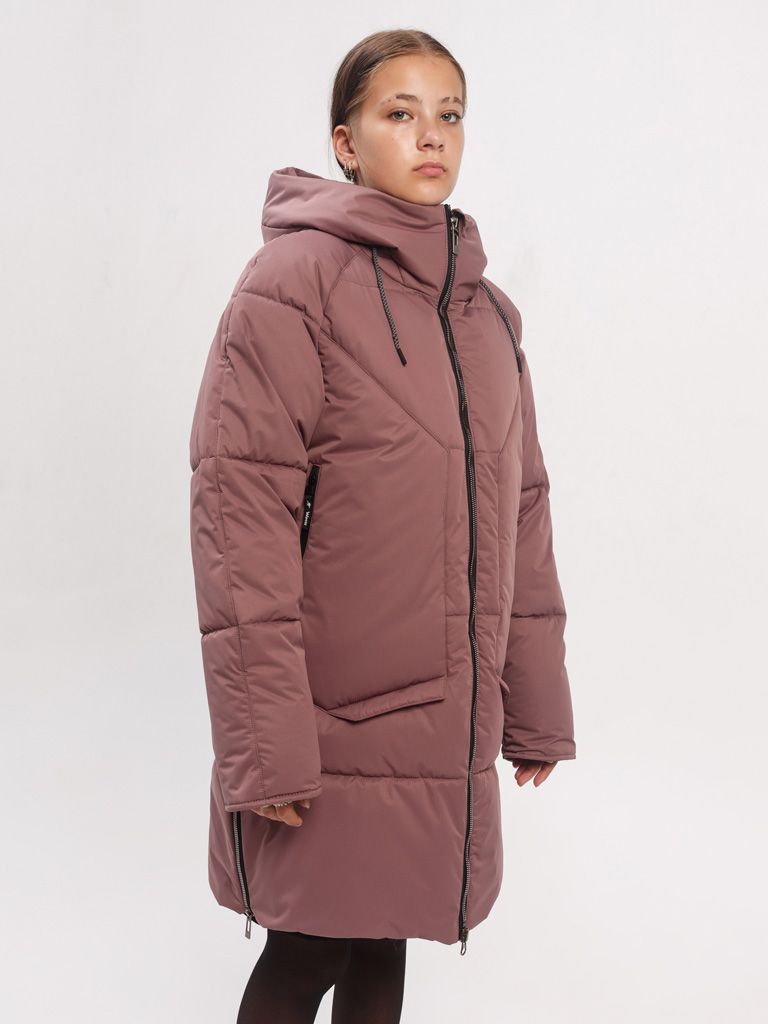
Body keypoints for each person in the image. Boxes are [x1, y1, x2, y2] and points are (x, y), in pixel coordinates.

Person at [188, 28, 576, 1024]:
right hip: (327, 717)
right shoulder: (291, 286)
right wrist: (264, 741)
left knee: (386, 936)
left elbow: (522, 510)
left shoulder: (488, 317)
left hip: (444, 713)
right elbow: (239, 516)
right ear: (346, 143)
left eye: (449, 114)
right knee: (309, 948)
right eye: (400, 113)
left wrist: (534, 700)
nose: (431, 134)